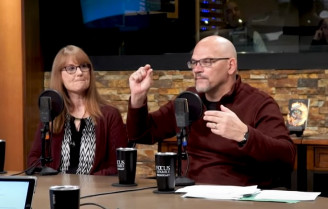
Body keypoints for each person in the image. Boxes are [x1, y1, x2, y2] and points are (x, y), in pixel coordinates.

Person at [127, 36, 296, 188]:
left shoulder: (259, 103)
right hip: (188, 197)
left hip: (240, 203)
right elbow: (141, 134)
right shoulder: (188, 100)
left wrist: (245, 135)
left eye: (206, 62)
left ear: (230, 66)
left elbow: (287, 158)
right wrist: (138, 97)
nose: (197, 69)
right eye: (194, 63)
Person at [27, 45, 128, 175]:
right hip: (58, 188)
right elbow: (33, 160)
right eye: (71, 68)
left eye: (84, 66)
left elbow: (118, 166)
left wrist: (86, 183)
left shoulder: (109, 115)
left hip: (96, 191)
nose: (80, 73)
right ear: (59, 76)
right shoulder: (52, 114)